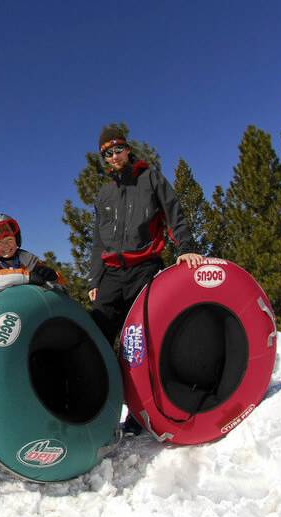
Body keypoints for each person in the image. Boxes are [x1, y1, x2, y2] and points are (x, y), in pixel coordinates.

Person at [87, 127, 204, 435]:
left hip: (144, 269)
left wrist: (187, 248)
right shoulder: (104, 194)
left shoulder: (150, 178)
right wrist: (95, 278)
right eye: (108, 154)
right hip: (111, 275)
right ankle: (96, 410)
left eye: (118, 150)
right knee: (95, 338)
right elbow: (98, 241)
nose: (114, 157)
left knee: (138, 343)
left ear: (128, 149)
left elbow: (174, 213)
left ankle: (140, 414)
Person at [0, 214, 63, 303]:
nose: (6, 245)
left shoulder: (27, 259)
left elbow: (56, 283)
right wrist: (27, 277)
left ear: (17, 240)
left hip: (25, 305)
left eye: (10, 240)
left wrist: (53, 278)